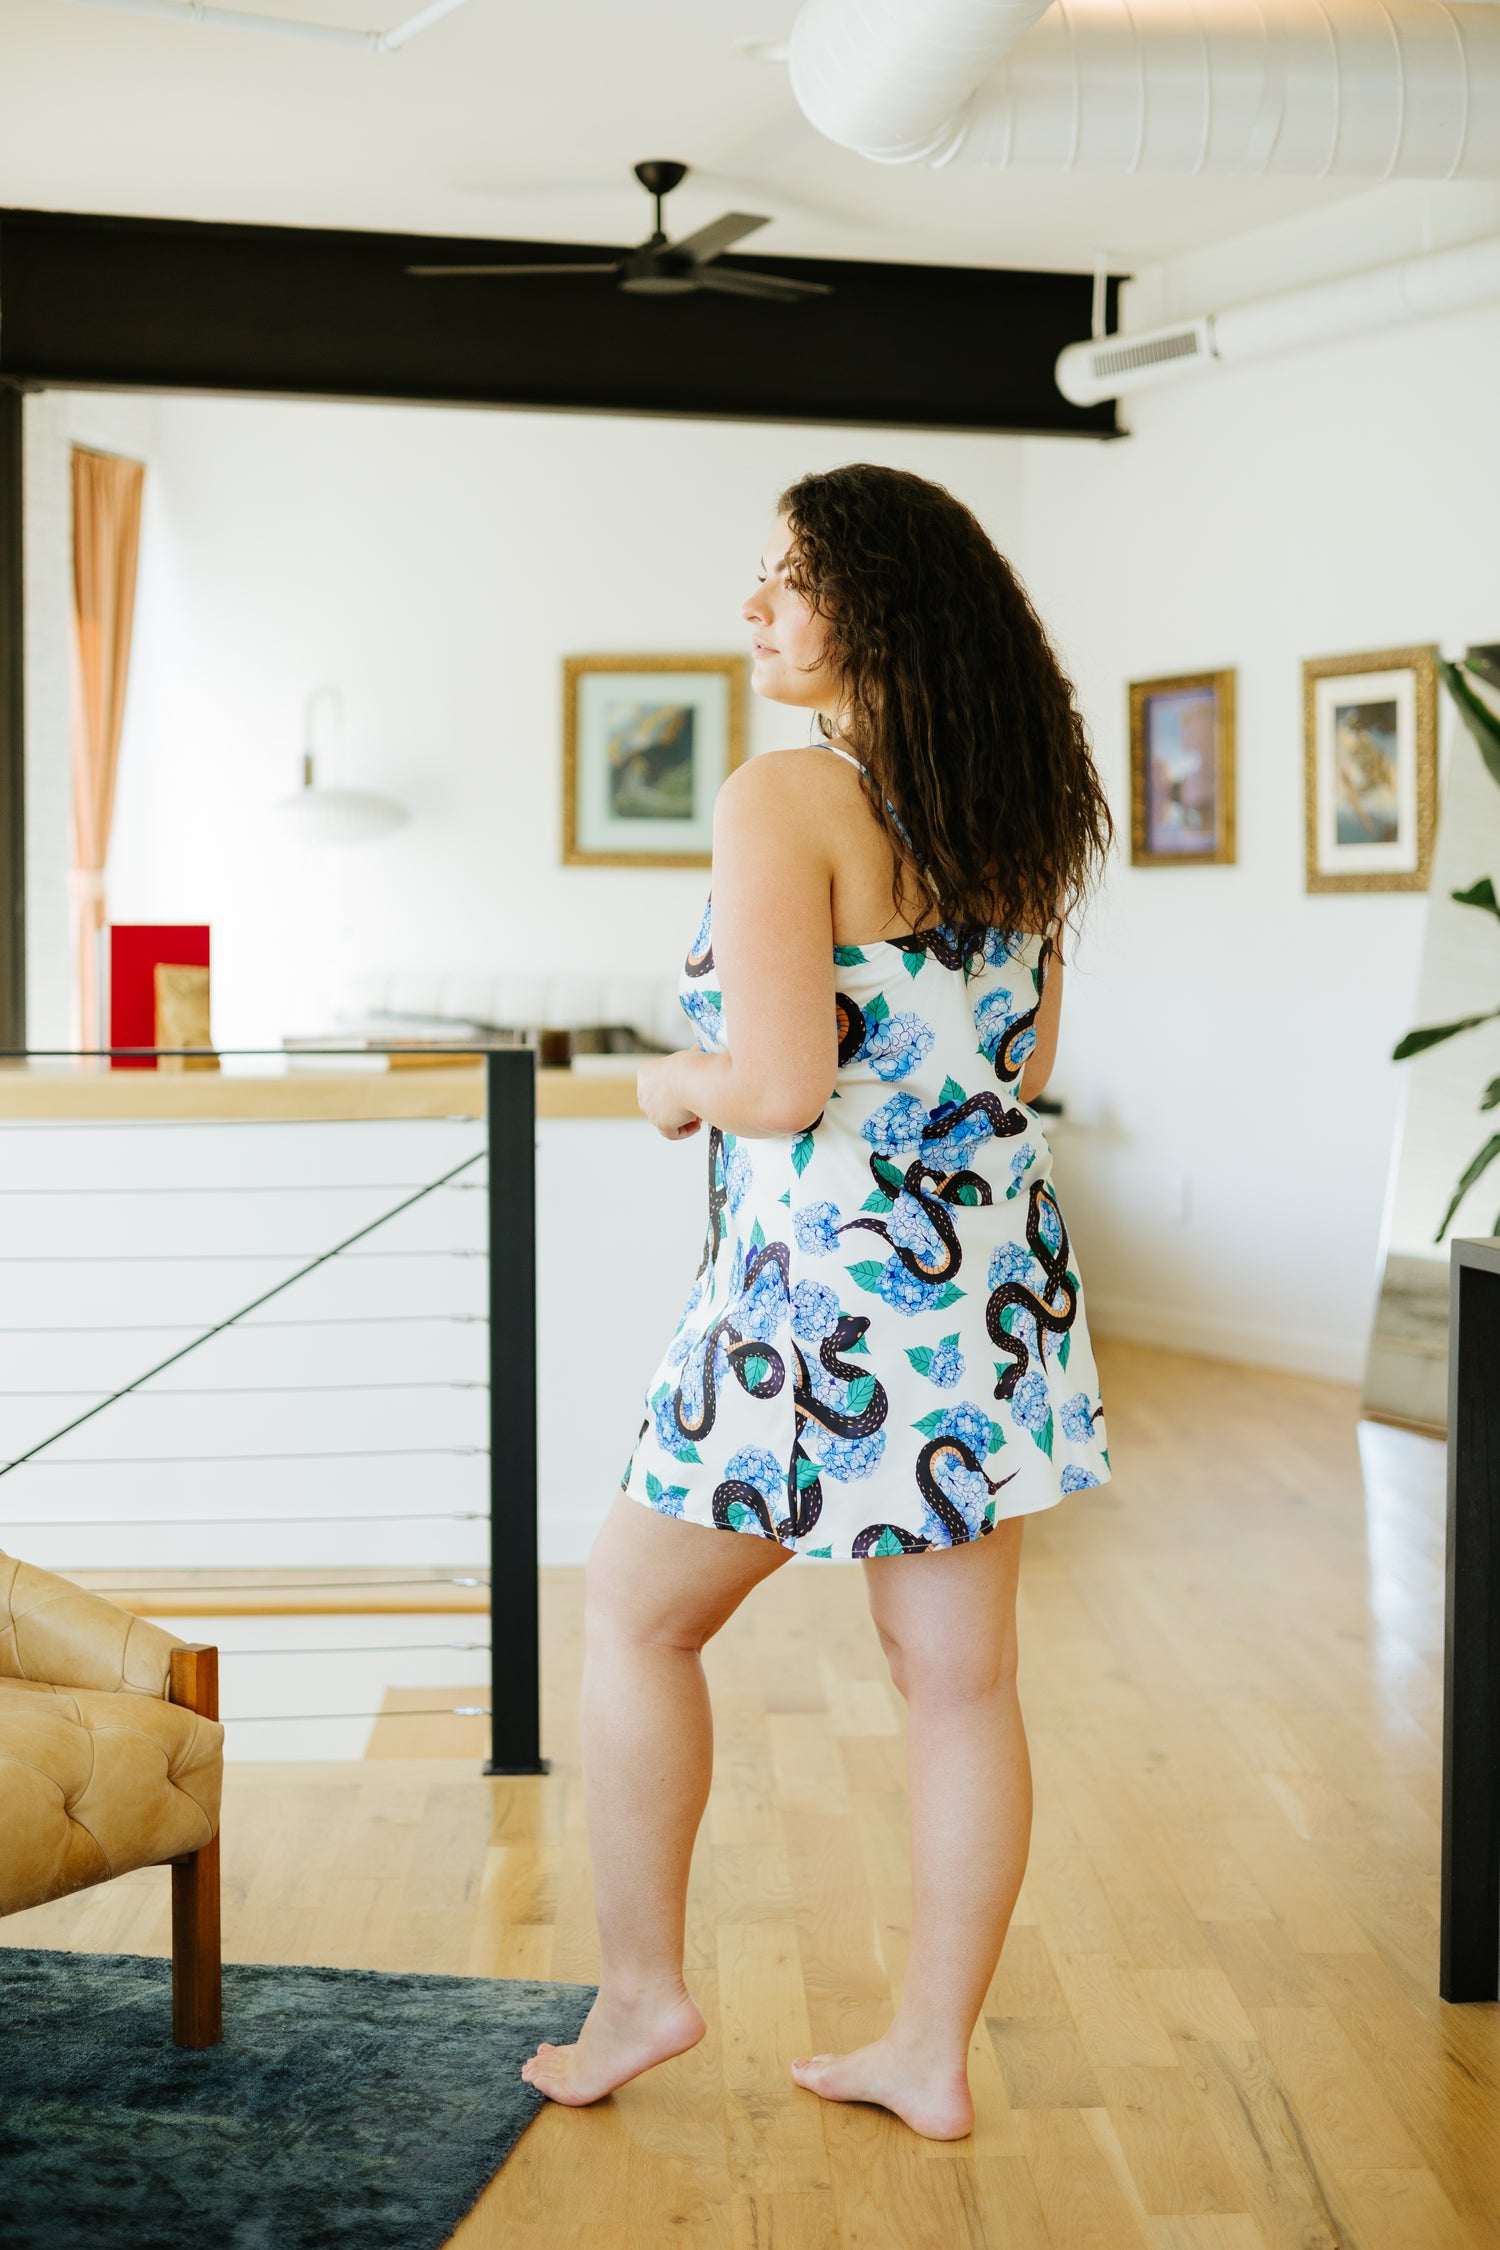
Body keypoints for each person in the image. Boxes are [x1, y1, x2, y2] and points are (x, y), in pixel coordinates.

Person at [522, 463, 1115, 2140]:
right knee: (964, 1682)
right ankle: (930, 2051)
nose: (754, 605)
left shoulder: (789, 798)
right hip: (989, 1289)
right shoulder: (1018, 800)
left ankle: (643, 1991)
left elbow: (780, 1085)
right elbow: (1028, 1063)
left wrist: (671, 1083)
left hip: (823, 1298)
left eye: (786, 576)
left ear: (874, 604)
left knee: (640, 1609)